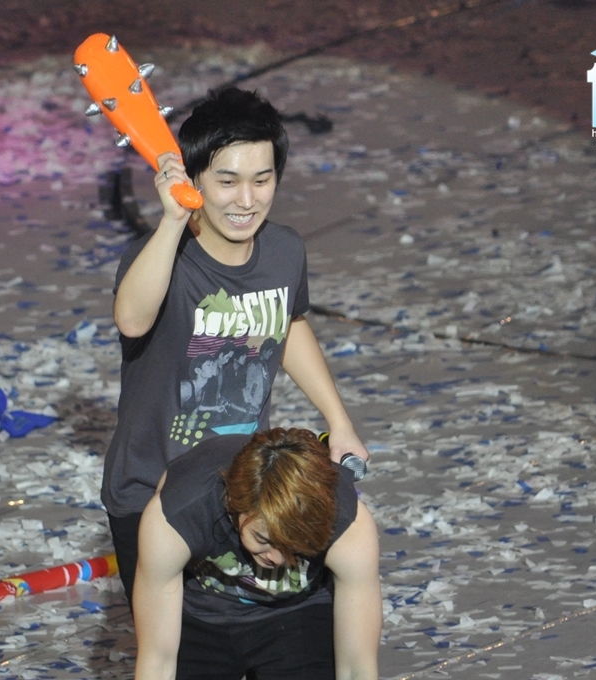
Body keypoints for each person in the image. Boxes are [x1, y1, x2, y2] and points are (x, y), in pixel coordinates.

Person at [103, 86, 369, 601]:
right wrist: (172, 221)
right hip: (150, 493)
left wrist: (338, 421)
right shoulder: (161, 257)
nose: (247, 200)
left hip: (242, 492)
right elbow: (132, 321)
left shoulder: (284, 250)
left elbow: (287, 324)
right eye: (227, 181)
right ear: (193, 180)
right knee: (171, 644)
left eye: (262, 180)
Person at [134, 428, 380, 680]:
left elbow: (356, 668)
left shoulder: (349, 524)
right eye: (263, 540)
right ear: (233, 503)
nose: (277, 559)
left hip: (297, 612)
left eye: (295, 545)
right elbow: (158, 661)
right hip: (202, 612)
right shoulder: (177, 515)